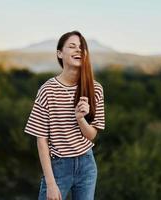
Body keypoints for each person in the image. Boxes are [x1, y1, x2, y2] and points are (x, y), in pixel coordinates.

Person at [24, 30, 105, 200]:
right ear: (59, 53)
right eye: (72, 46)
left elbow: (91, 136)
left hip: (87, 165)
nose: (78, 50)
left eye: (81, 47)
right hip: (58, 166)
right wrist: (51, 184)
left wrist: (80, 118)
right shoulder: (47, 90)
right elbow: (41, 140)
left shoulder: (94, 88)